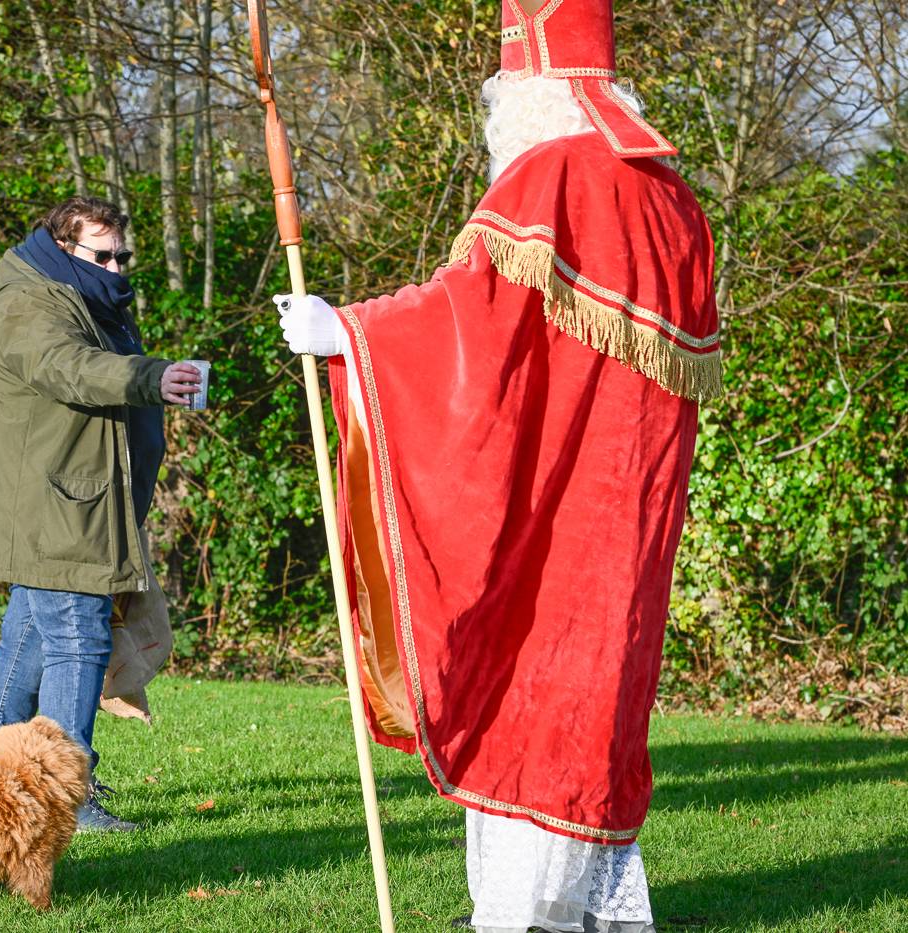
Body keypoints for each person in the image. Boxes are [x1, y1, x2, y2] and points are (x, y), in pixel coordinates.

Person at [275, 2, 722, 931]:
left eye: (504, 91)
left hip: (549, 526)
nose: (497, 115)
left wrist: (348, 333)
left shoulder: (553, 176)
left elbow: (474, 322)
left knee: (532, 700)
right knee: (595, 705)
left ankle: (526, 917)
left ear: (533, 90)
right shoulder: (675, 202)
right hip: (626, 529)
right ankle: (590, 913)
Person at [0, 195, 201, 832]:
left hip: (72, 500)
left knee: (33, 635)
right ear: (63, 247)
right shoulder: (26, 302)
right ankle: (68, 794)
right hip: (55, 505)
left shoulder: (82, 292)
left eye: (124, 256)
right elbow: (68, 368)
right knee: (79, 640)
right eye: (103, 255)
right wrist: (150, 377)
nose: (117, 268)